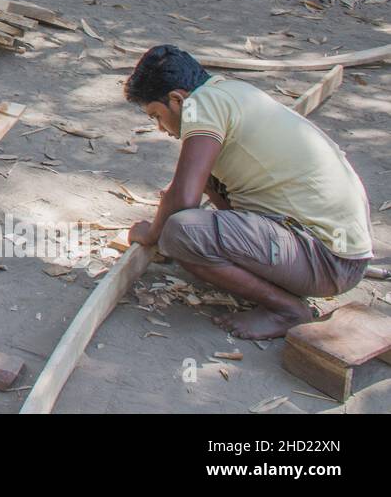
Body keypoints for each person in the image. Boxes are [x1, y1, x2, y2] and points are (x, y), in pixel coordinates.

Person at [123, 45, 372, 339]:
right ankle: (278, 279)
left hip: (328, 260)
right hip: (339, 251)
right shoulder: (230, 91)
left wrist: (151, 234)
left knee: (180, 233)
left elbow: (184, 200)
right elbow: (189, 185)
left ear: (177, 99)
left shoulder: (201, 106)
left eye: (156, 115)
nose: (161, 128)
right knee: (208, 182)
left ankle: (287, 310)